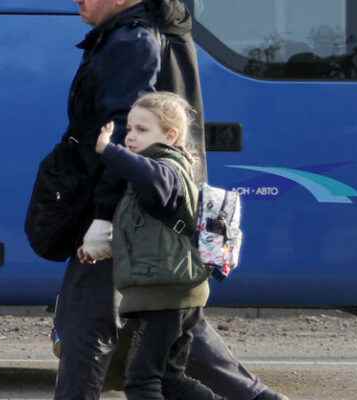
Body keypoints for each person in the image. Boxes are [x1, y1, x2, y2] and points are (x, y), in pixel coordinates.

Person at [54, 1, 287, 399]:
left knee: (97, 332)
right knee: (176, 334)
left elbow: (131, 139)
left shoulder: (134, 41)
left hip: (139, 228)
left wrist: (104, 214)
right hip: (156, 249)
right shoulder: (147, 32)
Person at [92, 91, 219, 400]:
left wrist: (109, 150)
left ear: (171, 135)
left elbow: (151, 177)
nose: (131, 136)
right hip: (170, 291)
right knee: (169, 380)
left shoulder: (167, 167)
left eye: (142, 130)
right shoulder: (158, 168)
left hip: (167, 295)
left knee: (141, 382)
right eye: (130, 129)